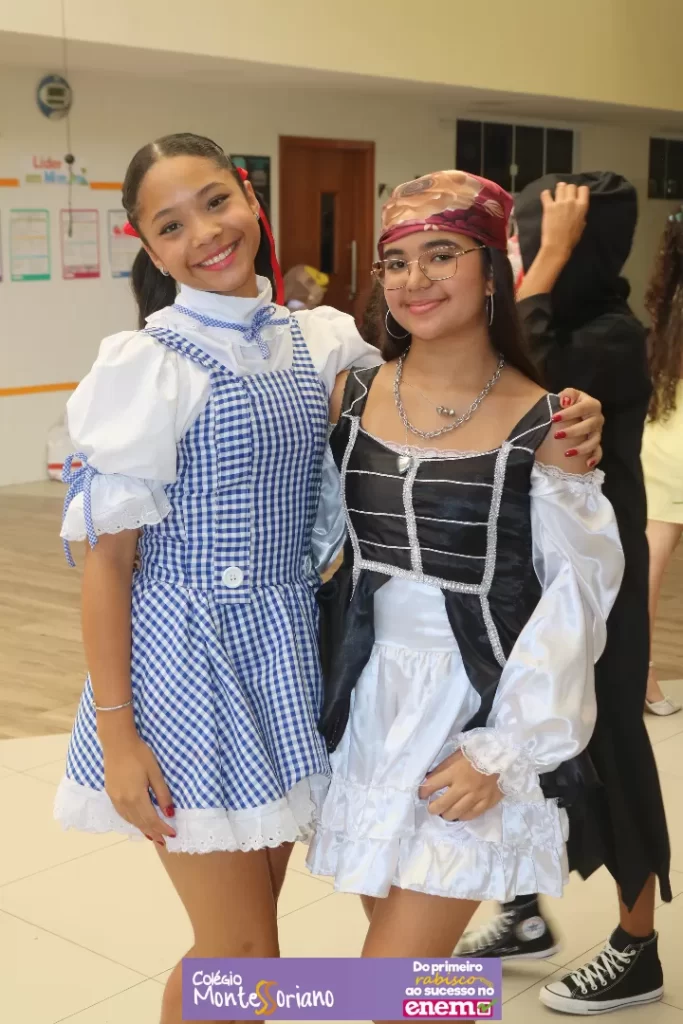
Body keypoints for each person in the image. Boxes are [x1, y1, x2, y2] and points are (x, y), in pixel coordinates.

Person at [54, 132, 380, 1024]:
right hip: (181, 669)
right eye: (170, 225)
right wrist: (119, 738)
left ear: (249, 196)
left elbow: (426, 405)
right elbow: (108, 563)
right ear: (150, 249)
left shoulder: (317, 338)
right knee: (243, 953)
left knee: (235, 949)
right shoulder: (146, 364)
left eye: (214, 202)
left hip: (280, 654)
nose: (204, 233)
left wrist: (555, 414)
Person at [305, 170, 623, 993]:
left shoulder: (548, 422)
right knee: (410, 978)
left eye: (441, 254)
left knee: (381, 989)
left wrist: (501, 749)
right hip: (363, 708)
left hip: (470, 712)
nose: (415, 279)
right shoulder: (349, 393)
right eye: (396, 261)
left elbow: (576, 600)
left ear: (491, 270)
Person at [459, 174, 672, 1017]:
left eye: (535, 245)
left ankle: (636, 948)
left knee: (609, 748)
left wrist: (545, 257)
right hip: (530, 573)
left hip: (595, 585)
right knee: (519, 737)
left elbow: (522, 373)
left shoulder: (612, 337)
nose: (520, 263)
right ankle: (522, 914)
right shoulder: (566, 320)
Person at [641, 208, 683, 715]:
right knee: (649, 571)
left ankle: (641, 677)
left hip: (661, 436)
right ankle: (642, 679)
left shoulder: (668, 298)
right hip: (676, 444)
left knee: (648, 571)